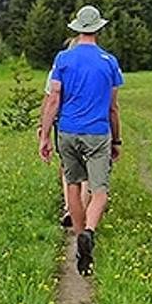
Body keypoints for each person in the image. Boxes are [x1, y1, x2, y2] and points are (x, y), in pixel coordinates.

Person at [39, 6, 123, 275]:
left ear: (77, 29)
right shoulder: (109, 62)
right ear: (98, 29)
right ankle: (89, 230)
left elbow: (53, 99)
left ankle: (79, 240)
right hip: (97, 133)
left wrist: (44, 135)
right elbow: (113, 107)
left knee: (73, 185)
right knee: (99, 191)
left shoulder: (63, 59)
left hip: (67, 131)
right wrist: (117, 140)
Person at [42, 36, 87, 228]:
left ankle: (70, 208)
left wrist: (43, 128)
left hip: (64, 124)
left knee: (68, 168)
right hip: (91, 124)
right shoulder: (94, 66)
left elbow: (50, 100)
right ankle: (83, 211)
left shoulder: (58, 68)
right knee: (88, 172)